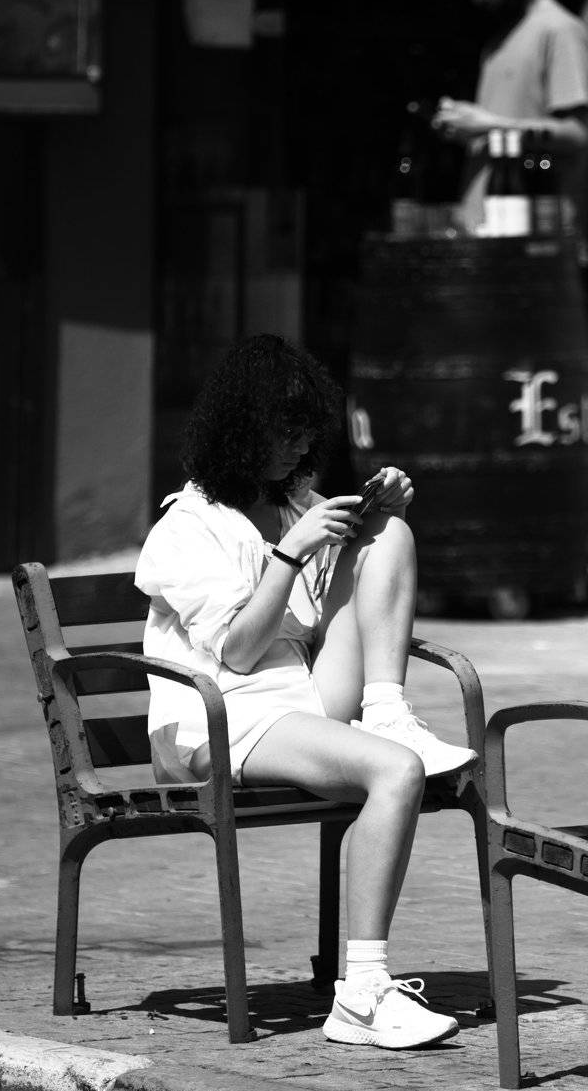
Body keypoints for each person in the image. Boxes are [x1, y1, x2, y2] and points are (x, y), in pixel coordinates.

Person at [135, 333, 475, 1050]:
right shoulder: (188, 525)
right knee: (397, 772)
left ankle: (388, 709)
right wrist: (291, 554)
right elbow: (237, 651)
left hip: (296, 697)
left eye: (303, 434)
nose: (296, 450)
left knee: (388, 536)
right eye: (282, 434)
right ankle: (362, 995)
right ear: (241, 432)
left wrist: (378, 508)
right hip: (223, 714)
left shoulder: (290, 501)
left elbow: (346, 588)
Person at [432, 0, 588, 237]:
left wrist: (487, 125)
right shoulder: (499, 42)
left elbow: (577, 134)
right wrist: (464, 125)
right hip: (485, 232)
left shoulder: (560, 30)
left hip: (535, 236)